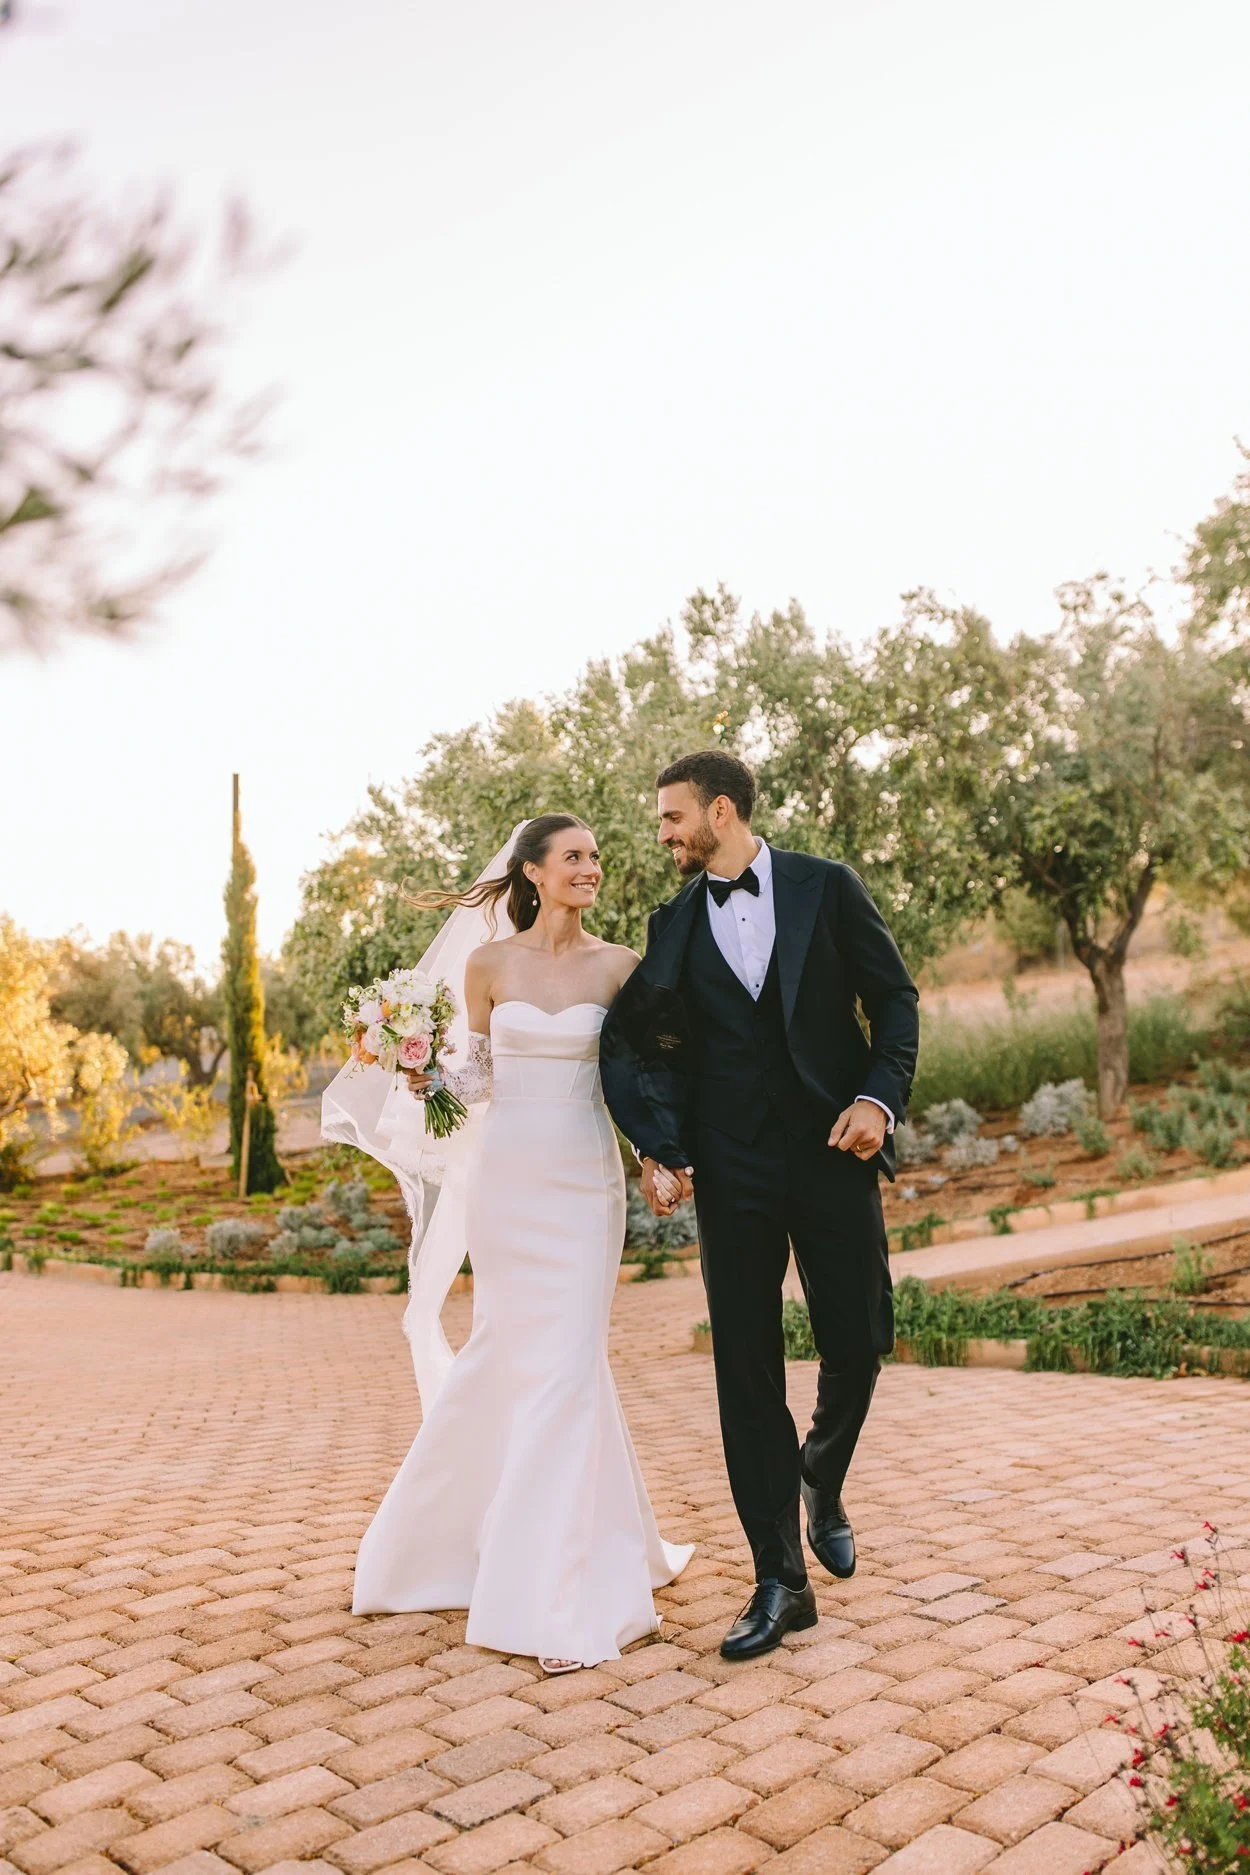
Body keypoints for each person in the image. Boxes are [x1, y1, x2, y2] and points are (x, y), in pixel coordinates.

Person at [322, 815, 693, 1674]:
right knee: (512, 1353)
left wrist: (655, 1157)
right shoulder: (488, 966)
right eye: (575, 857)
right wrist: (425, 1073)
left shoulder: (620, 967)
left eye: (598, 855)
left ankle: (551, 1592)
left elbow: (635, 1078)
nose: (592, 868)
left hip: (584, 1184)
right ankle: (441, 1544)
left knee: (569, 1363)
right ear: (531, 871)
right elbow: (479, 1077)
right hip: (511, 1182)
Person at [600, 751, 920, 1660]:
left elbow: (894, 1001)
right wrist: (661, 1143)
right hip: (733, 1170)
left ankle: (822, 1470)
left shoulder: (829, 887)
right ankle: (780, 1576)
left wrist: (877, 1097)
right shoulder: (671, 924)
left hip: (831, 1151)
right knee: (746, 1370)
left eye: (671, 817)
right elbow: (630, 1044)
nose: (662, 834)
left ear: (722, 810)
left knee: (857, 1337)